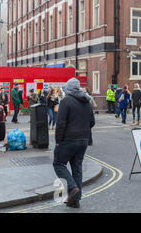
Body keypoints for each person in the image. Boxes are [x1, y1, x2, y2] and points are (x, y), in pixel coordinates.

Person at [53, 78, 95, 209]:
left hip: (68, 140)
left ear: (69, 89)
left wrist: (58, 140)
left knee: (58, 164)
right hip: (83, 140)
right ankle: (75, 200)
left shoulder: (66, 101)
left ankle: (72, 188)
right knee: (77, 168)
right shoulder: (87, 101)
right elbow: (92, 122)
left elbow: (60, 123)